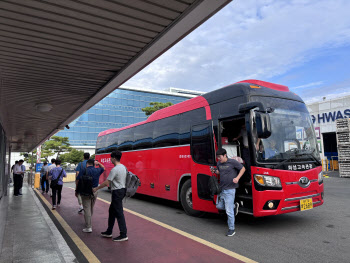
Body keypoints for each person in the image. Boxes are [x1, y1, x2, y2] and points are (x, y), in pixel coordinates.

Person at [93, 150, 128, 242]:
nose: (110, 160)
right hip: (122, 190)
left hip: (117, 192)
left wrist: (97, 188)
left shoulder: (115, 169)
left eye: (111, 158)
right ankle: (109, 232)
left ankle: (123, 234)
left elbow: (107, 182)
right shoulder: (123, 167)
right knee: (112, 211)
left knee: (119, 213)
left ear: (113, 158)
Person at [211, 148, 246, 237]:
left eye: (220, 157)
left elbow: (243, 169)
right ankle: (234, 206)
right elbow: (219, 171)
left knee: (229, 211)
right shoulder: (219, 163)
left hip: (230, 189)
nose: (218, 159)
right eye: (217, 157)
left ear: (225, 155)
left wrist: (237, 178)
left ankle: (231, 229)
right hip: (221, 189)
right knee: (219, 206)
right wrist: (214, 171)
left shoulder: (232, 162)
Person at [76, 159, 105, 233]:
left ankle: (88, 227)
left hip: (85, 191)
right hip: (95, 191)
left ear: (87, 164)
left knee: (86, 208)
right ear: (94, 164)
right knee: (91, 207)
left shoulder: (83, 170)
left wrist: (77, 190)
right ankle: (88, 221)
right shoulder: (97, 170)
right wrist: (98, 163)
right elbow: (103, 168)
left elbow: (78, 180)